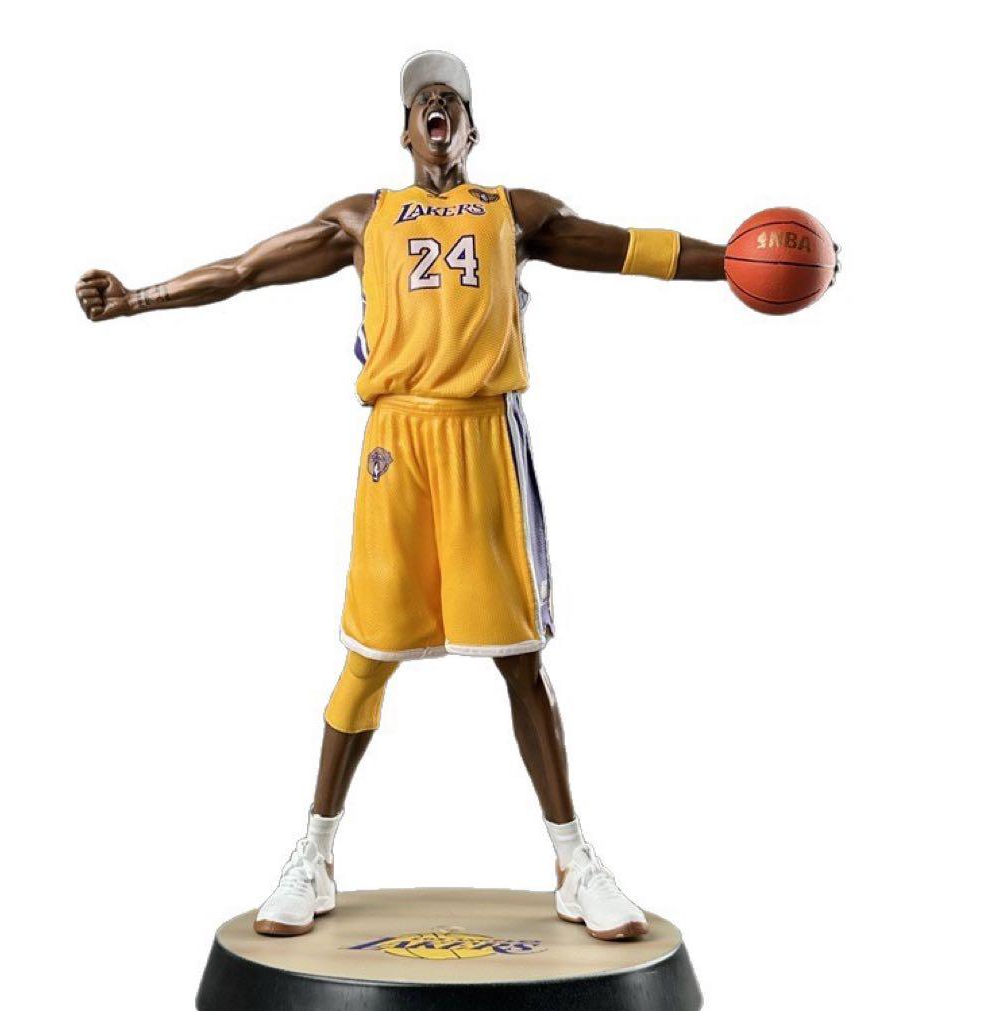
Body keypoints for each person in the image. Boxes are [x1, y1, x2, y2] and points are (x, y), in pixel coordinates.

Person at [76, 51, 727, 941]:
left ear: (470, 129)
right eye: (423, 97)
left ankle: (574, 861)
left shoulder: (514, 211)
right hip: (396, 443)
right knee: (368, 651)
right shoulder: (363, 218)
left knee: (519, 656)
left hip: (481, 435)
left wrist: (737, 263)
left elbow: (634, 249)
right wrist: (137, 298)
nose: (435, 102)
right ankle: (314, 852)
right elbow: (244, 269)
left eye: (450, 96)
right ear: (405, 130)